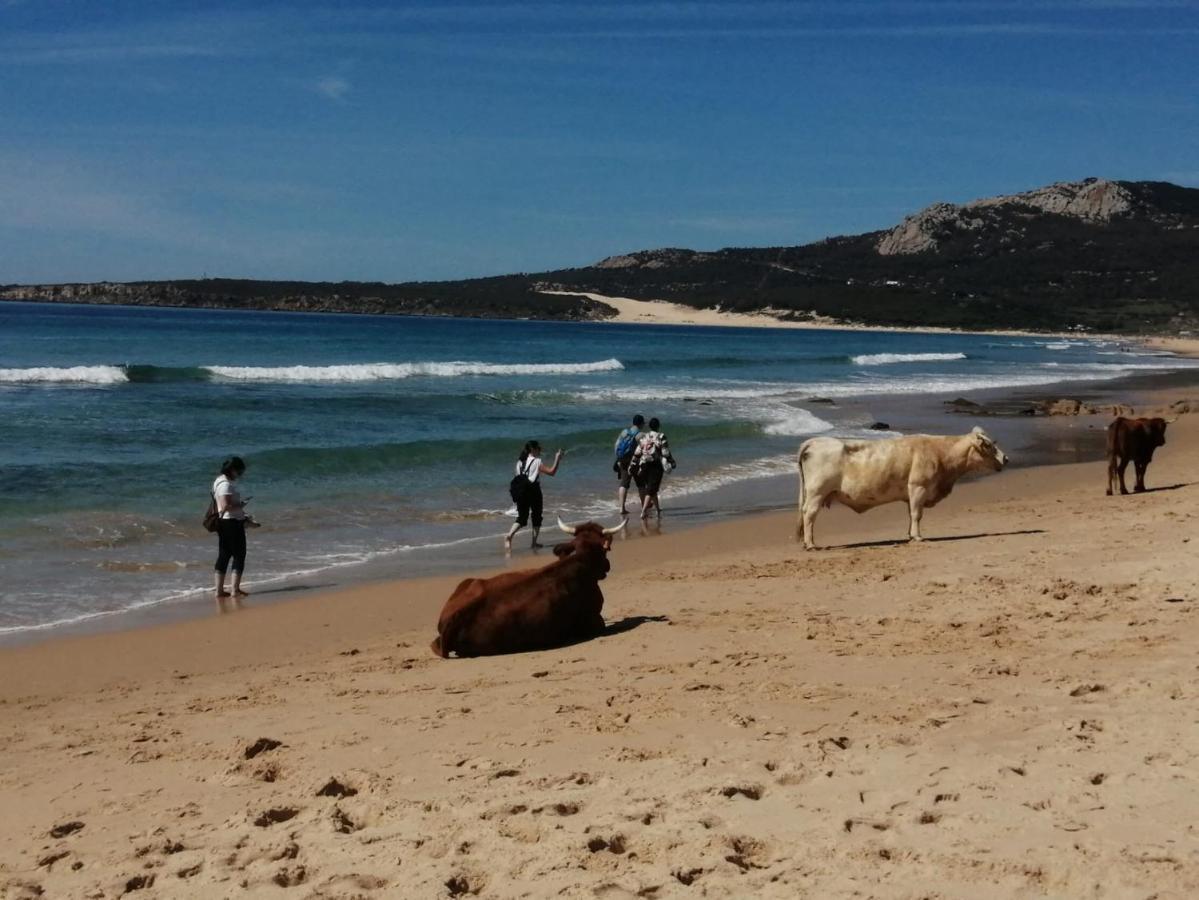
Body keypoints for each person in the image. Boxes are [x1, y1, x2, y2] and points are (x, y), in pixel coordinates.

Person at [212, 456, 259, 599]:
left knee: (224, 555)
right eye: (239, 471)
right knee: (239, 555)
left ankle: (219, 591)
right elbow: (225, 506)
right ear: (232, 470)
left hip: (225, 522)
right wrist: (242, 504)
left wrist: (243, 516)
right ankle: (235, 590)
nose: (240, 475)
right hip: (231, 523)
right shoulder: (225, 485)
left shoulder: (218, 481)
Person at [505, 440, 563, 552]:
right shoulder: (536, 462)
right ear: (533, 449)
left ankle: (510, 535)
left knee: (521, 518)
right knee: (537, 516)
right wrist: (557, 459)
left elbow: (518, 477)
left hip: (521, 491)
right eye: (539, 449)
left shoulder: (519, 462)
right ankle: (534, 543)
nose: (540, 451)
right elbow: (552, 472)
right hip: (534, 490)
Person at [630, 417, 677, 522]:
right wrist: (672, 462)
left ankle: (658, 509)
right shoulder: (661, 436)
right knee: (651, 489)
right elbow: (665, 452)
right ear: (658, 426)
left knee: (652, 487)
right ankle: (643, 512)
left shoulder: (644, 436)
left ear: (649, 426)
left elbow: (637, 452)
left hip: (644, 465)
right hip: (656, 466)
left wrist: (632, 465)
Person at [613, 414, 645, 516]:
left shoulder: (624, 432)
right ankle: (644, 505)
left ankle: (622, 508)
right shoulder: (640, 435)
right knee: (641, 484)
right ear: (641, 424)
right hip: (634, 462)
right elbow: (645, 449)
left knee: (624, 483)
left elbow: (616, 445)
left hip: (622, 460)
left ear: (632, 423)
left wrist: (618, 459)